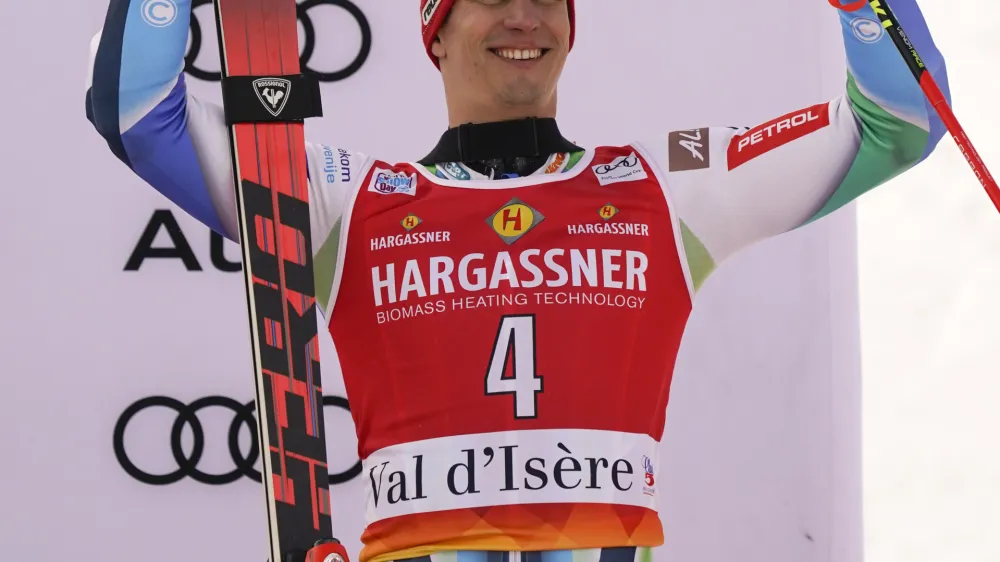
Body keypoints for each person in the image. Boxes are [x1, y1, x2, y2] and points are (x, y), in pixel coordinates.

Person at [86, 1, 950, 562]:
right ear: (437, 29)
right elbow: (133, 108)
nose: (524, 15)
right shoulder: (347, 199)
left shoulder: (665, 184)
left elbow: (899, 122)